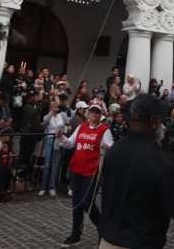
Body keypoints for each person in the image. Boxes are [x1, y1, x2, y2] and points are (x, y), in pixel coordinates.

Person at [98, 95, 174, 249]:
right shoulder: (160, 160)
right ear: (154, 121)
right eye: (162, 120)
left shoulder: (114, 150)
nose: (162, 124)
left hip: (106, 242)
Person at [59, 102, 113, 246]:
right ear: (87, 113)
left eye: (97, 112)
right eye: (92, 111)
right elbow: (69, 143)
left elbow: (111, 148)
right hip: (77, 170)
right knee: (76, 203)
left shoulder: (104, 130)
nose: (94, 114)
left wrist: (106, 148)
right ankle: (76, 234)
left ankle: (104, 230)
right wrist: (60, 137)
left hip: (92, 172)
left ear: (100, 115)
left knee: (86, 203)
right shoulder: (81, 127)